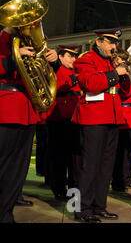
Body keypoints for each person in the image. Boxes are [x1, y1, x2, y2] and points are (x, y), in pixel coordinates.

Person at [71, 28, 131, 222]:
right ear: (99, 42)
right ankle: (82, 209)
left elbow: (126, 91)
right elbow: (90, 83)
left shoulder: (111, 62)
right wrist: (115, 72)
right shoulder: (85, 59)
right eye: (111, 42)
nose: (114, 47)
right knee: (90, 165)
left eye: (115, 43)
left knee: (106, 166)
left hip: (112, 117)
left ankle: (99, 206)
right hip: (93, 117)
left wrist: (124, 72)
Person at [0, 26, 57, 223]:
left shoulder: (27, 42)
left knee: (18, 169)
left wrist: (52, 61)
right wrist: (14, 57)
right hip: (5, 106)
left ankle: (5, 214)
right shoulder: (5, 40)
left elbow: (45, 74)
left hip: (27, 109)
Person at [46, 45, 82, 201]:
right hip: (60, 116)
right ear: (60, 56)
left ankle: (73, 188)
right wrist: (76, 78)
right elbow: (59, 85)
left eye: (75, 56)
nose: (74, 59)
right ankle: (58, 188)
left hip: (75, 116)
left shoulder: (75, 71)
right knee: (59, 156)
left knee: (74, 157)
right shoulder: (53, 68)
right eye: (70, 56)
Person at [111, 48, 131, 192]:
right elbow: (126, 93)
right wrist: (129, 79)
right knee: (120, 153)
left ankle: (127, 178)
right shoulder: (122, 77)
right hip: (124, 116)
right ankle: (119, 180)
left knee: (129, 152)